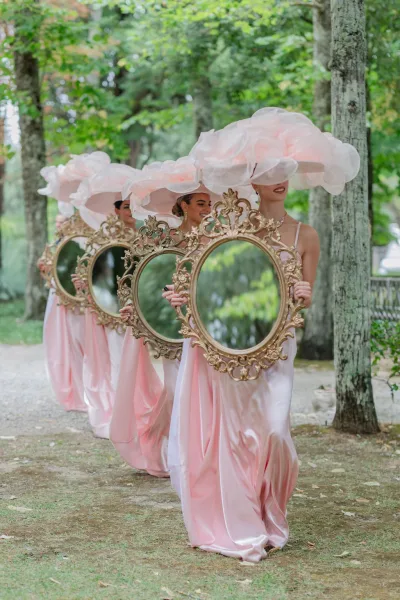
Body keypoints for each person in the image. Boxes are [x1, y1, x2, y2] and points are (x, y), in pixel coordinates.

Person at [163, 180, 319, 562]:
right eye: (269, 171)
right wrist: (183, 296)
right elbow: (204, 280)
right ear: (253, 181)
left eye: (285, 170)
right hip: (229, 343)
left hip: (277, 344)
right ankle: (244, 520)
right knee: (233, 436)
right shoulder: (227, 227)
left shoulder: (306, 234)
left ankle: (271, 512)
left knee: (275, 431)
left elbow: (307, 296)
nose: (280, 178)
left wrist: (305, 294)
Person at [112, 190, 212, 476]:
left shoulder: (214, 239)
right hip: (170, 325)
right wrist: (135, 306)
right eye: (201, 203)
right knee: (172, 388)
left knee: (199, 390)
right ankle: (159, 443)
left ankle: (191, 455)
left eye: (210, 204)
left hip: (205, 325)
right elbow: (144, 277)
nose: (207, 209)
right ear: (184, 205)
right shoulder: (165, 239)